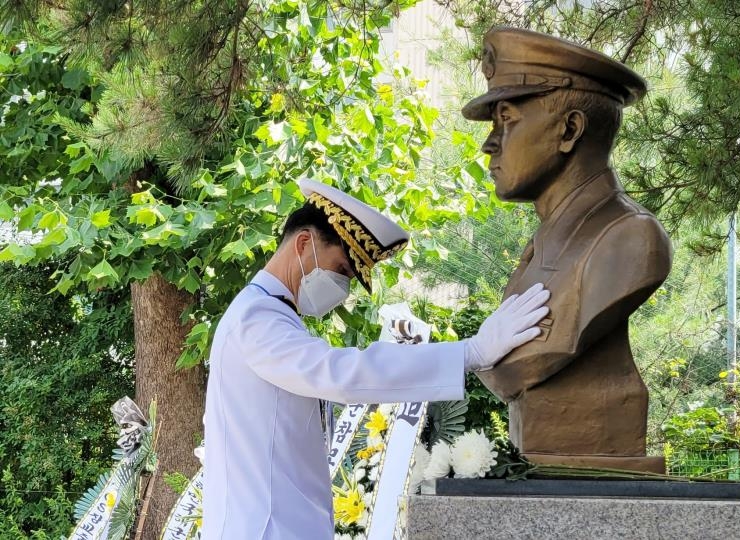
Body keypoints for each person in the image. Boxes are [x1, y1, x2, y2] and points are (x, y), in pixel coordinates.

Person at [201, 178, 550, 539]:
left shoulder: (271, 315)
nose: (342, 288)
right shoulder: (256, 319)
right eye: (341, 271)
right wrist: (468, 352)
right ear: (304, 243)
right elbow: (342, 375)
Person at [462, 27, 673, 472]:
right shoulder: (540, 246)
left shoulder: (630, 241)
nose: (489, 143)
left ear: (569, 130)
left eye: (507, 119)